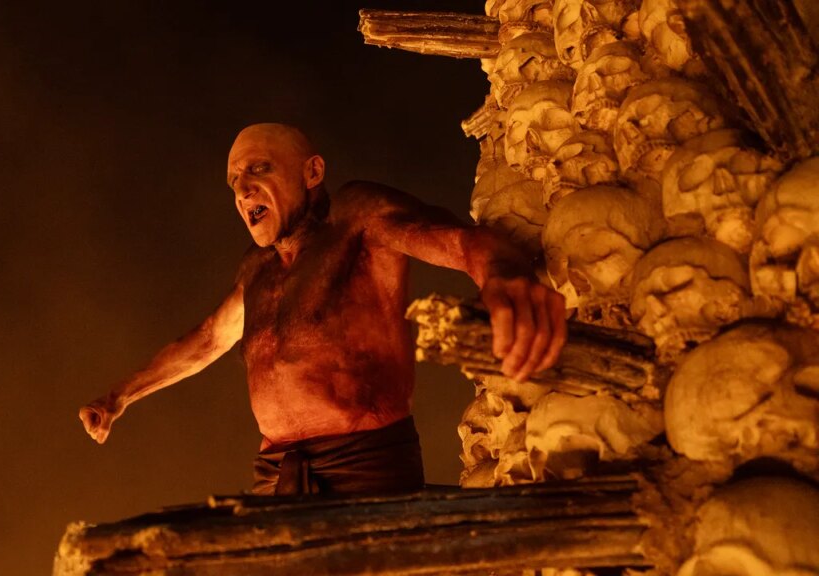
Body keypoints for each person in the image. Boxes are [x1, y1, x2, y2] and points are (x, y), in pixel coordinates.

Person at [80, 123, 567, 496]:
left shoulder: (356, 218)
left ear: (312, 172)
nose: (242, 190)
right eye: (234, 181)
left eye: (258, 169)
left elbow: (463, 242)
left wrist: (504, 277)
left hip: (365, 472)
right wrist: (119, 397)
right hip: (276, 480)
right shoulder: (256, 269)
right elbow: (208, 339)